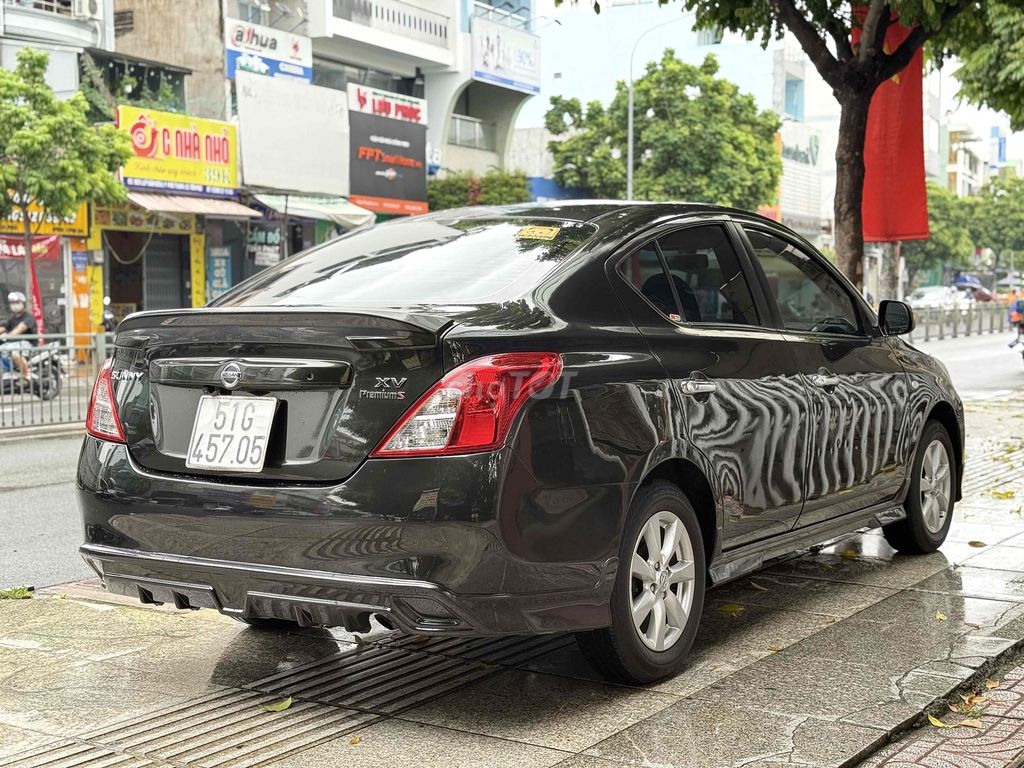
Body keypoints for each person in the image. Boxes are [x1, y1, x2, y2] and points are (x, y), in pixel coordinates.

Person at [0, 291, 36, 385]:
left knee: (15, 353)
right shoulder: (12, 318)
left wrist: (8, 335)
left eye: (17, 303)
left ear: (22, 303)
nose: (15, 305)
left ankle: (26, 375)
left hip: (26, 343)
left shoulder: (29, 317)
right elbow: (3, 327)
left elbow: (20, 328)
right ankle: (5, 372)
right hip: (12, 343)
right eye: (12, 303)